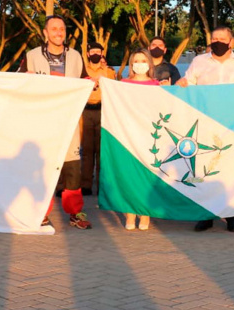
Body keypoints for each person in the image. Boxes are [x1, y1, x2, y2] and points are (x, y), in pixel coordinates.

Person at [178, 26, 234, 232]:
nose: (217, 42)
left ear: (231, 42)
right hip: (206, 125)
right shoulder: (199, 62)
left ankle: (232, 216)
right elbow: (188, 83)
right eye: (214, 38)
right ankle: (206, 215)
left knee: (232, 171)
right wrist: (181, 83)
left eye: (222, 39)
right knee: (206, 171)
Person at [18, 16, 90, 230]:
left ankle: (76, 212)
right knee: (43, 168)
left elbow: (84, 80)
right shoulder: (31, 56)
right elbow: (17, 82)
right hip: (42, 122)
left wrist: (91, 84)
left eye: (62, 28)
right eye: (54, 29)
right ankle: (41, 212)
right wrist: (25, 77)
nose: (59, 32)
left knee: (72, 169)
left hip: (69, 121)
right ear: (45, 33)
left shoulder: (75, 56)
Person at [121, 48, 161, 230]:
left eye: (143, 61)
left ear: (149, 64)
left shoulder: (155, 85)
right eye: (136, 61)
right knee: (129, 175)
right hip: (127, 135)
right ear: (131, 65)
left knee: (146, 175)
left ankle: (145, 215)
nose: (140, 64)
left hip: (148, 136)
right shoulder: (122, 84)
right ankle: (130, 214)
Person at [80, 42, 116, 196]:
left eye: (98, 51)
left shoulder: (109, 72)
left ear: (102, 53)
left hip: (103, 111)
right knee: (87, 151)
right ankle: (86, 185)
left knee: (102, 151)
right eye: (92, 51)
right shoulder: (82, 70)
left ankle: (102, 185)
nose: (95, 53)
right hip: (85, 111)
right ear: (88, 54)